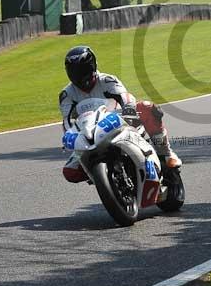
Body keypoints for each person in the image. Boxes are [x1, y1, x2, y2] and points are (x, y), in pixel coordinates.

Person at [59, 45, 181, 183]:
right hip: (89, 134)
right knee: (70, 172)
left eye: (83, 70)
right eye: (74, 71)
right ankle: (100, 175)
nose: (79, 75)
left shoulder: (106, 80)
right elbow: (67, 120)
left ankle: (165, 153)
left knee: (147, 107)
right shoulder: (66, 94)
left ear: (92, 66)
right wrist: (69, 134)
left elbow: (124, 96)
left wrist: (129, 111)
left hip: (119, 121)